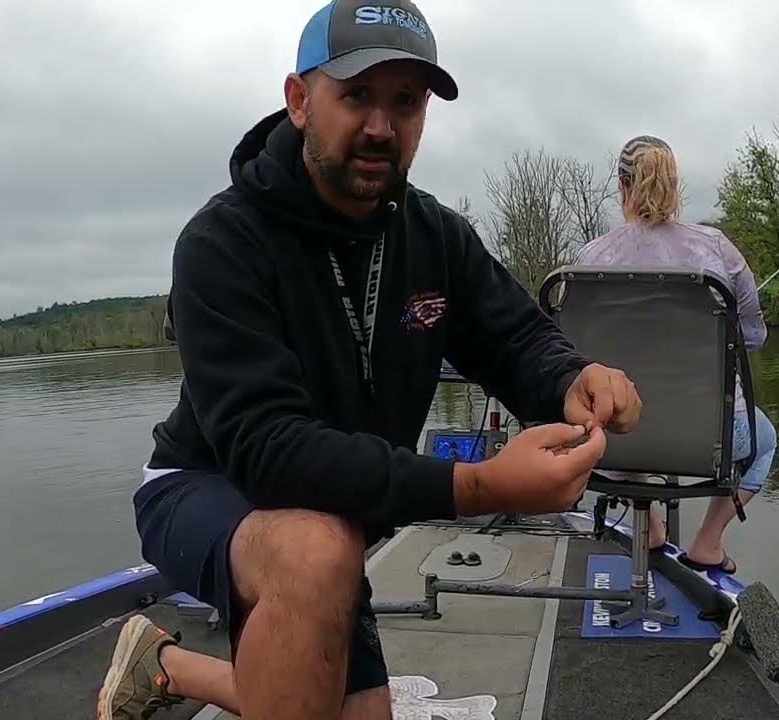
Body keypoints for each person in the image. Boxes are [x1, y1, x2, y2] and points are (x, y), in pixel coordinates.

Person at [95, 2, 642, 718]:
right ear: (299, 100)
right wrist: (480, 487)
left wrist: (573, 379)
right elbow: (269, 452)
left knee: (333, 644)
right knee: (316, 553)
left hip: (336, 512)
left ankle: (161, 665)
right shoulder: (221, 244)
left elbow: (514, 338)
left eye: (406, 102)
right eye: (357, 95)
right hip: (205, 485)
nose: (382, 127)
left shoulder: (434, 236)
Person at [575, 134, 776, 576]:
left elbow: (577, 353)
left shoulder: (590, 259)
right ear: (674, 185)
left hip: (621, 438)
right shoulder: (716, 250)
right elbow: (752, 337)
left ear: (622, 187)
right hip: (714, 439)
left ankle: (650, 528)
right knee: (766, 441)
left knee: (619, 413)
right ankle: (707, 543)